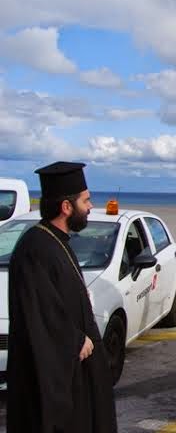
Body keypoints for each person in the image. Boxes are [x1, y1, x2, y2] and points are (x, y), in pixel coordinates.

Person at [7, 161, 118, 433]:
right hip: (56, 375)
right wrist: (74, 339)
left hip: (78, 369)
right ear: (66, 207)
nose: (91, 207)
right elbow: (38, 310)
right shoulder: (36, 247)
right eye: (86, 200)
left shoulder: (57, 241)